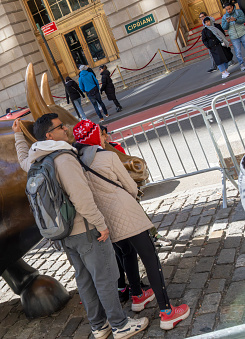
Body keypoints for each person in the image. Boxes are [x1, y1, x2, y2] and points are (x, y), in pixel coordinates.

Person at [13, 114, 148, 339]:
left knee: (84, 279)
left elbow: (22, 159)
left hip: (63, 233)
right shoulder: (64, 159)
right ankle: (120, 325)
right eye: (60, 127)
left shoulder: (36, 159)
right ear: (49, 135)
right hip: (85, 230)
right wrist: (101, 224)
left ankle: (99, 326)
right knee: (104, 276)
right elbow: (81, 198)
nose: (66, 129)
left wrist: (18, 135)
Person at [72, 119, 190, 330]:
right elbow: (131, 186)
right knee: (150, 259)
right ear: (93, 137)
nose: (103, 136)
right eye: (100, 133)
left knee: (125, 254)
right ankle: (167, 312)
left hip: (105, 220)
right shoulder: (107, 156)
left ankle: (137, 295)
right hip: (127, 214)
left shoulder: (76, 165)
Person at [222, 2, 245, 72]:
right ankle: (242, 64)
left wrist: (235, 20)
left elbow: (243, 19)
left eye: (229, 8)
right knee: (238, 52)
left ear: (232, 7)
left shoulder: (239, 12)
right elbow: (224, 27)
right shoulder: (224, 17)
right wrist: (227, 22)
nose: (228, 10)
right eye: (227, 9)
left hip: (243, 33)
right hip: (234, 37)